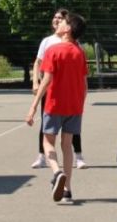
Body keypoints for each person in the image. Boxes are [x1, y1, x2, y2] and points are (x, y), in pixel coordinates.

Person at [25, 12, 88, 204]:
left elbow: (46, 80)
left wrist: (33, 106)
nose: (59, 22)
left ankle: (56, 172)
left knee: (47, 142)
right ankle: (67, 190)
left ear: (67, 29)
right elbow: (84, 84)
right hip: (74, 106)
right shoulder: (80, 53)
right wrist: (80, 103)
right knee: (67, 145)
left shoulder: (53, 50)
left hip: (54, 104)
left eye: (63, 21)